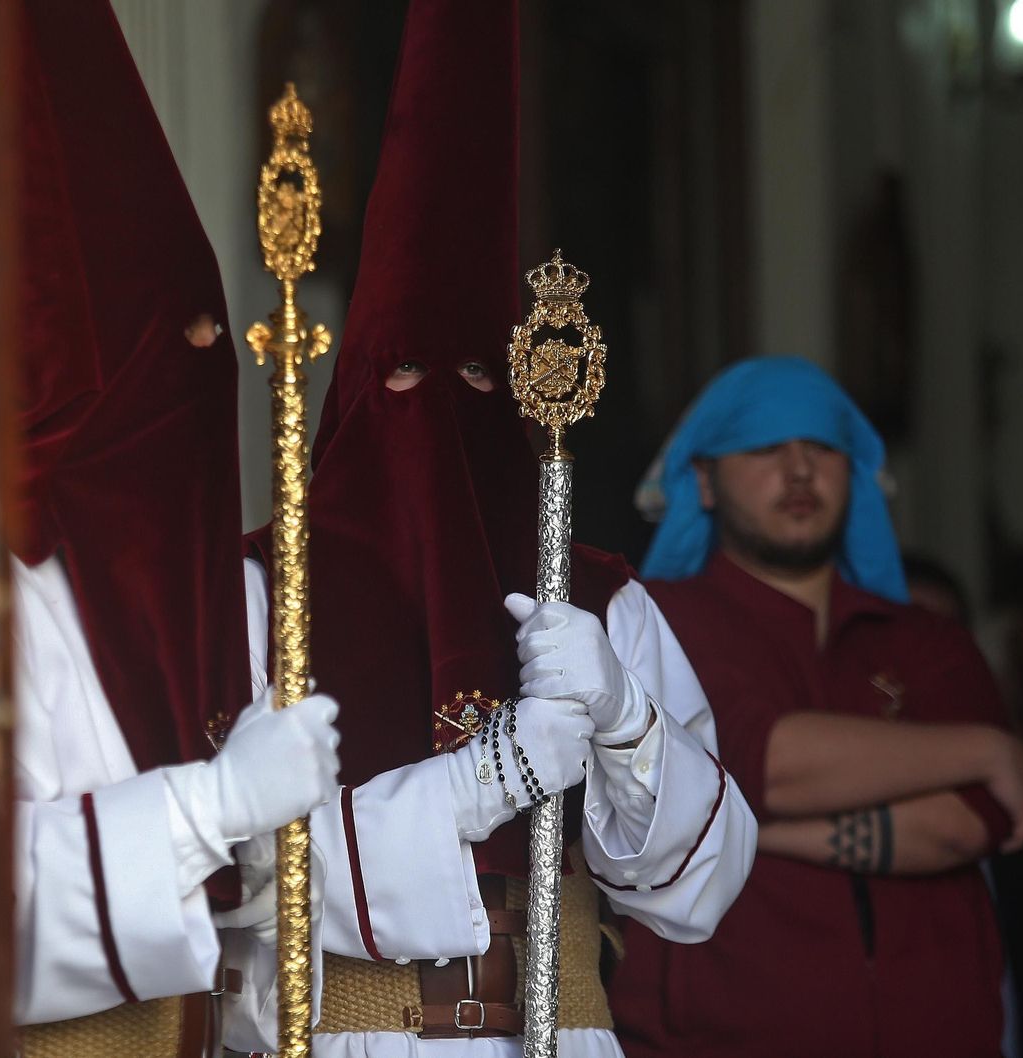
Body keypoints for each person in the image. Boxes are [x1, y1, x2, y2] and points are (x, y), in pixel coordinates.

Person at [222, 2, 756, 1053]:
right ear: (353, 398)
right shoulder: (263, 590)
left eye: (471, 378)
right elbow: (244, 870)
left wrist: (624, 721)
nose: (437, 414)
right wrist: (482, 781)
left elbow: (700, 885)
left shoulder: (597, 597)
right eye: (405, 377)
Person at [12, 3, 340, 1053]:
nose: (209, 375)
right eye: (176, 345)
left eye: (215, 335)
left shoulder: (228, 591)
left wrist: (263, 865)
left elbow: (266, 942)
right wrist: (210, 805)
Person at [611, 356, 1023, 1058]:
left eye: (821, 447)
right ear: (703, 480)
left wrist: (742, 833)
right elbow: (766, 762)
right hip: (717, 1042)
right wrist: (986, 749)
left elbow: (965, 826)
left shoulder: (928, 639)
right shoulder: (654, 622)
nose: (799, 470)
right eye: (763, 448)